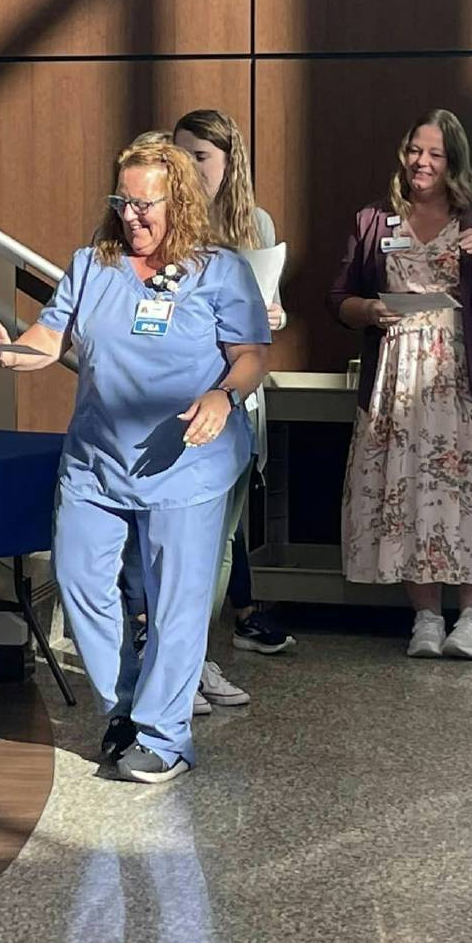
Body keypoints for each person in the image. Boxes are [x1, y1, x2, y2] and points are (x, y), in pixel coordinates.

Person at [0, 137, 270, 783]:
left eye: (146, 204)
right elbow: (46, 342)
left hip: (186, 457)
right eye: (123, 201)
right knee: (80, 581)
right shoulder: (92, 264)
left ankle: (164, 738)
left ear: (182, 202)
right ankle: (129, 705)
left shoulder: (220, 270)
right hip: (96, 459)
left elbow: (250, 356)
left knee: (174, 603)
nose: (131, 216)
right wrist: (6, 352)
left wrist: (224, 394)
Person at [330, 110, 472, 660]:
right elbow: (340, 300)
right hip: (399, 376)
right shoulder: (374, 220)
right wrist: (369, 310)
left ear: (453, 162)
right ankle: (424, 617)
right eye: (415, 151)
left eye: (435, 154)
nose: (422, 163)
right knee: (408, 490)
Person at [174, 109, 296, 658]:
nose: (189, 167)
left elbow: (270, 304)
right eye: (181, 154)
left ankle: (198, 654)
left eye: (199, 155)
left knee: (222, 527)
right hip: (182, 381)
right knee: (183, 528)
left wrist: (275, 316)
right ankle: (179, 649)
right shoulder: (166, 217)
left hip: (235, 386)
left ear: (229, 160)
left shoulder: (256, 224)